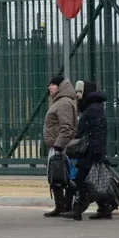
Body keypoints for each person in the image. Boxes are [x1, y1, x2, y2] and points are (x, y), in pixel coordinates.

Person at [62, 81, 113, 221]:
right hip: (91, 149)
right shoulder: (91, 106)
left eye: (80, 91)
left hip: (92, 150)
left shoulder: (93, 108)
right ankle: (105, 208)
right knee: (93, 181)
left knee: (81, 179)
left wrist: (98, 152)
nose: (77, 94)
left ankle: (78, 209)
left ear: (87, 92)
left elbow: (98, 131)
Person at [42, 76, 78, 217]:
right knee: (57, 175)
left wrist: (58, 145)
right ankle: (61, 205)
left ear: (61, 87)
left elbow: (67, 127)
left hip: (60, 147)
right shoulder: (58, 102)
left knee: (60, 175)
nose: (50, 87)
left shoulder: (63, 103)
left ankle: (63, 206)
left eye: (53, 85)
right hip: (57, 145)